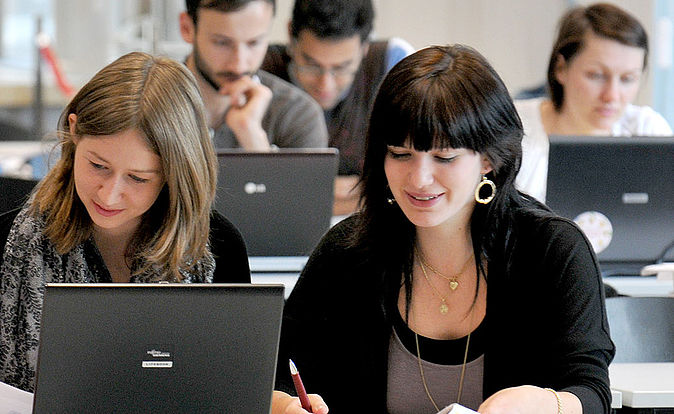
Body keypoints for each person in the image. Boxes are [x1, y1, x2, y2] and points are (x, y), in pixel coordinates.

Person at [0, 52, 324, 413]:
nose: (110, 193)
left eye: (139, 178)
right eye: (98, 166)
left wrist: (283, 404)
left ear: (176, 173)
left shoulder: (219, 248)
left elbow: (241, 387)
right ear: (74, 132)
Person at [276, 45, 614, 413]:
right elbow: (278, 372)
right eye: (400, 154)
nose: (419, 179)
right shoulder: (349, 251)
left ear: (489, 158)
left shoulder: (552, 250)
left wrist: (548, 404)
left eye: (444, 157)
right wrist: (283, 405)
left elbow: (591, 393)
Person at [260, 0, 413, 214]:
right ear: (290, 37)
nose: (325, 84)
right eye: (311, 64)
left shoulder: (392, 62)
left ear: (365, 46)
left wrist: (301, 192)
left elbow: (412, 181)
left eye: (342, 68)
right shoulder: (259, 69)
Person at [513, 3, 671, 202]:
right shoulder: (513, 129)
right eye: (596, 75)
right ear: (561, 68)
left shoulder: (648, 131)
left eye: (628, 79)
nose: (612, 96)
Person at [178, 0, 328, 151]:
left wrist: (253, 139)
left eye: (254, 43)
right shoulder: (154, 100)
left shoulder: (298, 115)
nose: (239, 65)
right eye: (222, 43)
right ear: (187, 28)